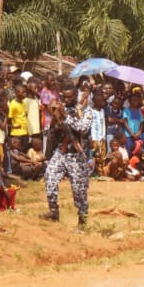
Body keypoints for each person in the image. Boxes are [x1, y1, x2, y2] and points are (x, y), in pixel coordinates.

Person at [42, 85, 92, 226]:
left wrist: (66, 117)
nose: (66, 99)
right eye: (64, 96)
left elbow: (83, 128)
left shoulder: (84, 110)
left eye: (69, 96)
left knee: (79, 190)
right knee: (50, 178)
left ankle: (82, 220)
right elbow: (49, 131)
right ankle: (53, 211)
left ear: (76, 96)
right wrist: (55, 119)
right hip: (61, 152)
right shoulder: (60, 108)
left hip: (76, 155)